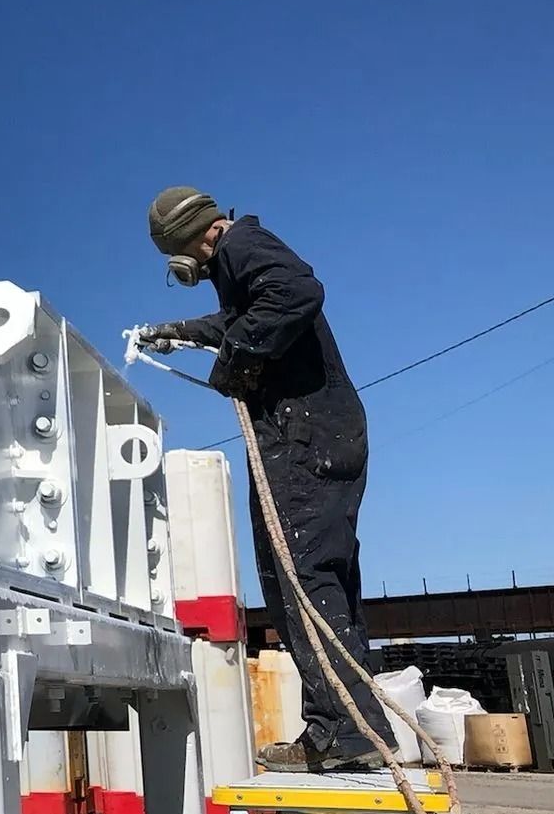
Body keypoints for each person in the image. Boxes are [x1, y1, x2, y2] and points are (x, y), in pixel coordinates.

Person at [138, 187, 388, 771]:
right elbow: (242, 316)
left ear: (197, 240)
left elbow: (297, 292)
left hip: (304, 434)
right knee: (312, 575)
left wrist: (238, 360)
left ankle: (347, 733)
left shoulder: (240, 245)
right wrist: (184, 331)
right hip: (316, 431)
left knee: (301, 575)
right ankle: (347, 726)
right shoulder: (239, 262)